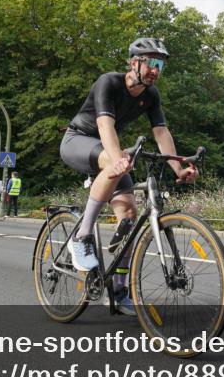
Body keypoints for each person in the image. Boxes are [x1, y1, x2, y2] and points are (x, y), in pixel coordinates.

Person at [59, 37, 198, 315]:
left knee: (130, 217)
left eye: (160, 65)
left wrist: (178, 168)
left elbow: (161, 133)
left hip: (105, 146)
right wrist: (116, 158)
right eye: (152, 63)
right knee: (113, 163)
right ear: (134, 63)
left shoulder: (151, 95)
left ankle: (119, 293)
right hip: (78, 140)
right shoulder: (108, 82)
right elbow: (104, 125)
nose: (156, 70)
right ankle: (82, 236)